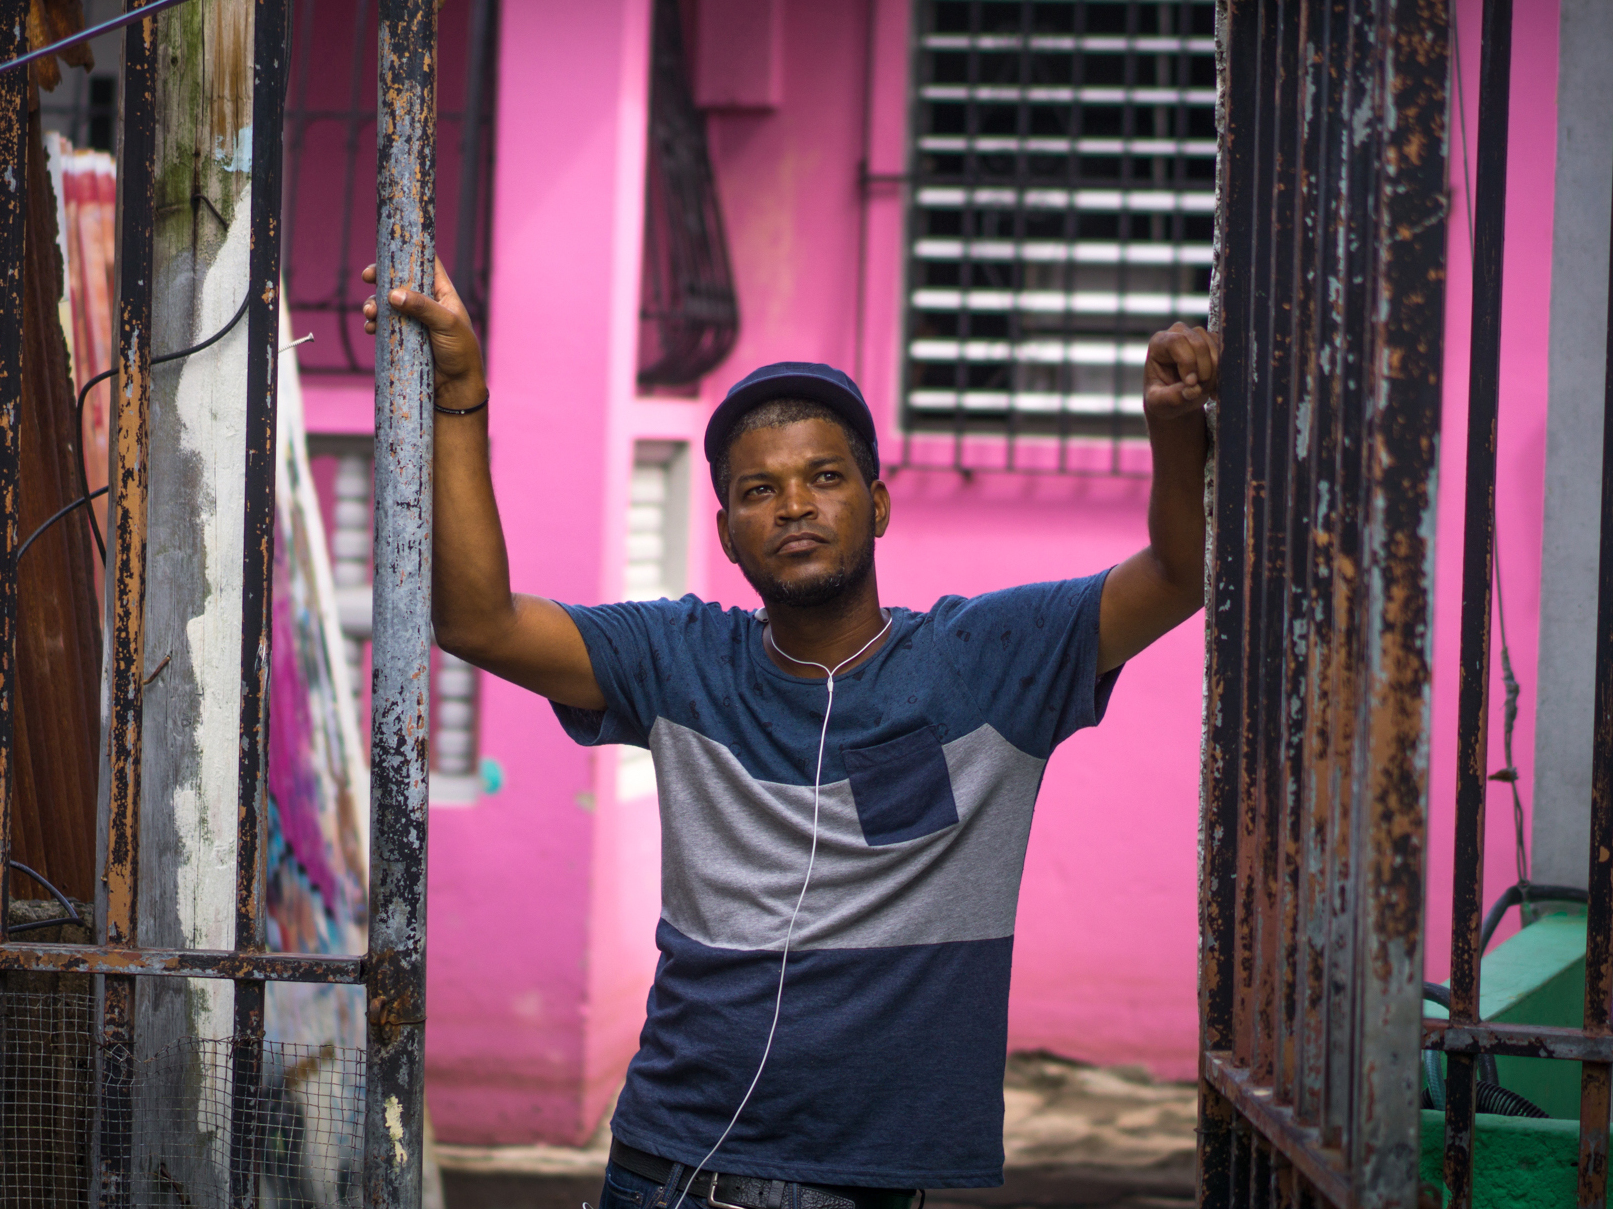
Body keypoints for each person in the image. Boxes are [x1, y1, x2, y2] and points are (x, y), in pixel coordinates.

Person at [363, 261, 1219, 1209]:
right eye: (759, 490)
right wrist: (462, 397)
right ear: (728, 532)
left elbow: (1180, 575)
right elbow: (478, 621)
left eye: (823, 477)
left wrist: (1176, 432)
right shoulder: (678, 657)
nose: (796, 506)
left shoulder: (992, 658)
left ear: (878, 503)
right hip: (673, 1171)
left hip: (876, 1186)